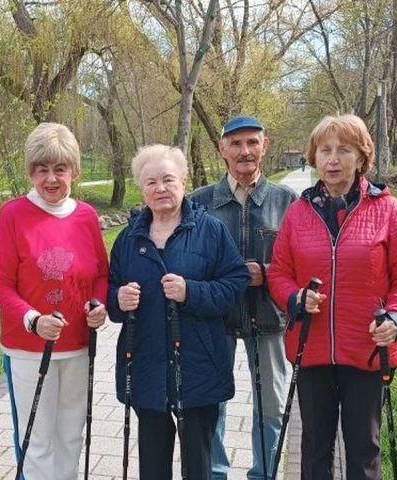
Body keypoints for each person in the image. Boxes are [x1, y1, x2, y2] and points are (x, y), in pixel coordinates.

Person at [266, 114, 397, 479]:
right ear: (314, 157)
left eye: (344, 150)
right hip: (312, 347)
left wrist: (396, 318)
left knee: (364, 451)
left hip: (367, 349)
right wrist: (295, 297)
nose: (333, 160)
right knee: (314, 450)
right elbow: (278, 273)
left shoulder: (388, 210)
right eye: (325, 150)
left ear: (361, 157)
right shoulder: (298, 212)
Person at [108, 144, 250, 480]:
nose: (160, 188)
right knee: (153, 464)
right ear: (141, 188)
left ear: (183, 180)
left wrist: (191, 292)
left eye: (168, 179)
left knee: (197, 465)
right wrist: (118, 299)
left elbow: (236, 284)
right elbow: (109, 292)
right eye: (151, 182)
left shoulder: (211, 231)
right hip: (145, 365)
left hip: (199, 366)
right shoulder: (128, 239)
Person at [0, 122, 109, 479]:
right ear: (31, 172)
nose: (51, 179)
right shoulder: (13, 214)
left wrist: (98, 304)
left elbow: (101, 274)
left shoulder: (86, 216)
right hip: (29, 347)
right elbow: (0, 285)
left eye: (60, 168)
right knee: (37, 441)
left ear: (74, 170)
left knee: (70, 435)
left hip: (78, 345)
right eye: (42, 170)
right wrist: (33, 320)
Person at [189, 115, 297, 480]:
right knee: (211, 404)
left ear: (265, 146)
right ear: (222, 149)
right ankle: (214, 474)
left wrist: (266, 272)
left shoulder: (287, 202)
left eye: (252, 142)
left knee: (272, 407)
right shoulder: (199, 203)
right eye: (235, 144)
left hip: (269, 318)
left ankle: (264, 474)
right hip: (213, 321)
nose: (244, 151)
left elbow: (300, 261)